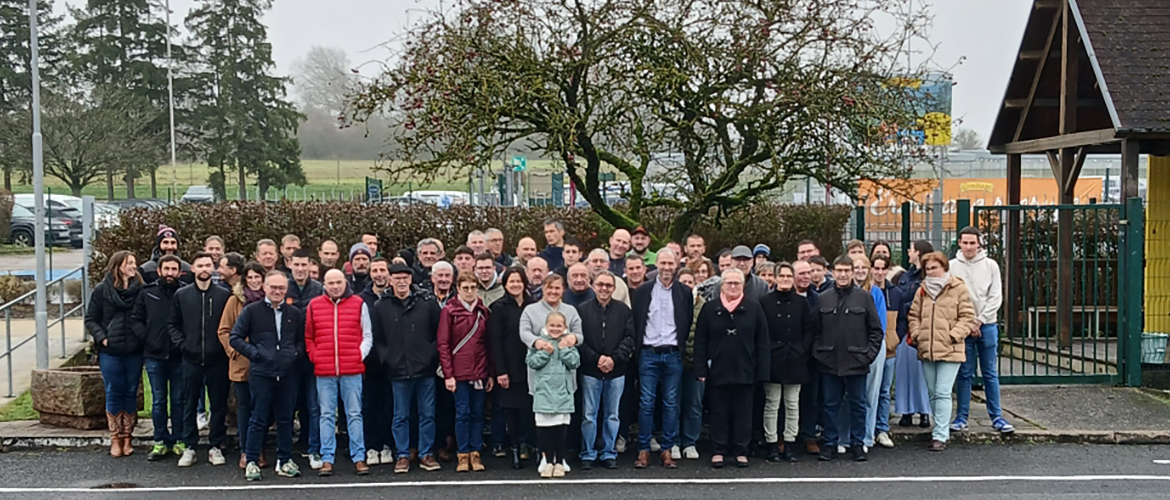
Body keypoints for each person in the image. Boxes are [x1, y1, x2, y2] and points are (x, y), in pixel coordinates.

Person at [231, 271, 306, 481]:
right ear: (264, 287)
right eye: (273, 287)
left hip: (288, 373)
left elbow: (300, 340)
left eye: (281, 288)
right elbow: (235, 338)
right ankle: (252, 460)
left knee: (285, 418)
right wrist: (256, 354)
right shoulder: (252, 311)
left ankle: (285, 459)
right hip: (261, 373)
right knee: (258, 418)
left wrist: (294, 354)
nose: (277, 291)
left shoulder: (294, 313)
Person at [694, 268, 770, 469]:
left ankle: (740, 450)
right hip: (717, 370)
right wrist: (700, 369)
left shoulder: (754, 308)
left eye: (737, 283)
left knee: (743, 412)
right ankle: (718, 450)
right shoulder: (710, 309)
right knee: (718, 412)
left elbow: (762, 342)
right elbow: (701, 341)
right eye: (729, 283)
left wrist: (762, 370)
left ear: (743, 285)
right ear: (722, 285)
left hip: (746, 370)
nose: (733, 286)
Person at [372, 263, 443, 474]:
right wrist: (388, 358)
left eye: (405, 277)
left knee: (427, 414)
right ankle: (402, 455)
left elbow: (438, 333)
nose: (401, 282)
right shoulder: (380, 306)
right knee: (400, 416)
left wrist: (431, 356)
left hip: (425, 369)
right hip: (397, 370)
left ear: (410, 280)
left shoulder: (426, 303)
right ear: (390, 280)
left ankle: (426, 454)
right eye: (397, 278)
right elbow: (378, 339)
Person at [814, 255, 883, 462]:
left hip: (856, 362)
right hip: (829, 362)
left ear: (853, 273)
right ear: (833, 272)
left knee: (858, 405)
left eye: (847, 271)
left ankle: (857, 444)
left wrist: (867, 356)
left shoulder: (864, 297)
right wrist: (820, 353)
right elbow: (814, 331)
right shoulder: (823, 298)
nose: (843, 275)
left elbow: (876, 331)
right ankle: (830, 443)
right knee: (830, 405)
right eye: (839, 271)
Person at [306, 269, 374, 476]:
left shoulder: (358, 304)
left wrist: (357, 356)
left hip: (352, 370)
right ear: (324, 284)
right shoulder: (314, 305)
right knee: (326, 415)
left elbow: (367, 335)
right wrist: (315, 357)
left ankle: (359, 457)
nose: (335, 286)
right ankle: (327, 458)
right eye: (330, 283)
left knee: (354, 414)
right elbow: (309, 337)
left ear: (344, 283)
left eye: (338, 282)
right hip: (324, 371)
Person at [630, 249, 692, 469]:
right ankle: (644, 450)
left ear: (676, 265)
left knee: (671, 404)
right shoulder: (643, 291)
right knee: (646, 403)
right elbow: (637, 321)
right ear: (655, 264)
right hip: (649, 353)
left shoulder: (684, 292)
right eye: (663, 263)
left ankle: (667, 449)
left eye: (670, 263)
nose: (666, 267)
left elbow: (686, 320)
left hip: (673, 354)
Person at [169, 252, 232, 467]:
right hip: (191, 359)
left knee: (218, 405)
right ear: (193, 269)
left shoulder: (224, 295)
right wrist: (183, 345)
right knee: (189, 404)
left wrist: (222, 348)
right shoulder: (182, 295)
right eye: (200, 265)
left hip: (217, 359)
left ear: (213, 268)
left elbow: (230, 326)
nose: (204, 269)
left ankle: (215, 446)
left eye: (208, 265)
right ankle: (190, 447)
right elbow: (173, 324)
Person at [949, 227, 1015, 435]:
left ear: (979, 244)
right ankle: (961, 417)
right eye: (965, 242)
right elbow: (951, 298)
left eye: (972, 243)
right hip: (963, 327)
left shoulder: (990, 266)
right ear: (959, 243)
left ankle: (997, 416)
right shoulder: (951, 267)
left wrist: (979, 320)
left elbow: (995, 297)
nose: (969, 247)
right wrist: (967, 323)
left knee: (990, 373)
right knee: (964, 373)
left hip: (987, 325)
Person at [907, 252, 975, 451]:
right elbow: (913, 315)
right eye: (928, 269)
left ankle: (940, 435)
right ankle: (940, 426)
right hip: (927, 348)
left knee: (943, 391)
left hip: (950, 348)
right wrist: (917, 334)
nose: (931, 272)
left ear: (944, 268)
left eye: (935, 268)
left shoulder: (958, 288)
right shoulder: (922, 290)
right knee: (932, 392)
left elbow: (967, 317)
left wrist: (954, 335)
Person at [87, 250, 144, 458]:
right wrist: (102, 337)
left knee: (130, 391)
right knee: (113, 391)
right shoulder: (102, 291)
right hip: (110, 350)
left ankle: (128, 437)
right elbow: (91, 319)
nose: (134, 266)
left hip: (134, 350)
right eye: (130, 263)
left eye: (134, 263)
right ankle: (115, 438)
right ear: (119, 265)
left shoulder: (140, 290)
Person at [758, 262, 817, 463]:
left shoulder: (801, 303)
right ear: (774, 278)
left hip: (795, 358)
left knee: (792, 403)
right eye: (781, 276)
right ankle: (772, 443)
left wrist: (802, 350)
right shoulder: (764, 301)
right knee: (772, 403)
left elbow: (809, 329)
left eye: (788, 277)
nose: (785, 280)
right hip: (773, 358)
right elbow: (761, 331)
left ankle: (790, 442)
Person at [576, 271, 635, 470]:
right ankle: (588, 453)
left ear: (614, 288)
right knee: (589, 415)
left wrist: (613, 359)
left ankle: (609, 452)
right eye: (600, 284)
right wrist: (597, 359)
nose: (604, 289)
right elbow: (579, 340)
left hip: (616, 371)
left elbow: (630, 338)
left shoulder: (624, 310)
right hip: (591, 370)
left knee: (612, 415)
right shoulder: (582, 310)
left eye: (608, 285)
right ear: (593, 286)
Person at [438, 272, 494, 473]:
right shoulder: (449, 311)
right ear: (458, 289)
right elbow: (443, 344)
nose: (469, 292)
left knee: (478, 414)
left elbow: (487, 344)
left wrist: (489, 373)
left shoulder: (483, 311)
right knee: (462, 413)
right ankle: (463, 454)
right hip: (459, 372)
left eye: (473, 287)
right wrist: (448, 374)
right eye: (465, 288)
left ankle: (475, 452)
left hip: (479, 370)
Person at [132, 255, 186, 461]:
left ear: (179, 272)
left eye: (174, 269)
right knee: (159, 401)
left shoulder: (184, 292)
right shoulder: (147, 293)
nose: (170, 273)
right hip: (154, 356)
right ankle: (160, 441)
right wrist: (146, 338)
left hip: (179, 356)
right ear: (160, 271)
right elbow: (136, 319)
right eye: (167, 269)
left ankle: (179, 440)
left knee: (179, 401)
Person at [217, 262, 268, 469]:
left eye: (258, 277)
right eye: (251, 278)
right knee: (245, 408)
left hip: (264, 363)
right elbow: (224, 330)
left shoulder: (270, 299)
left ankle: (261, 448)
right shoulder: (234, 301)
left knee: (262, 408)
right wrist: (233, 351)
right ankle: (246, 450)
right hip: (241, 364)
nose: (255, 281)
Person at [488, 267, 537, 469]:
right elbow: (495, 342)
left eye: (519, 281)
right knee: (511, 412)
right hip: (509, 367)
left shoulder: (533, 306)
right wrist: (500, 371)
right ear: (505, 284)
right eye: (511, 282)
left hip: (531, 367)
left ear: (524, 283)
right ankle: (515, 448)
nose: (515, 285)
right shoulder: (498, 307)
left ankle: (528, 445)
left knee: (529, 410)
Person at [526, 312, 581, 478]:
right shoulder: (539, 343)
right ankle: (548, 461)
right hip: (543, 393)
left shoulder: (568, 343)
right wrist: (545, 352)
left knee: (560, 431)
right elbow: (532, 362)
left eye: (559, 326)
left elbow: (575, 363)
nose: (555, 329)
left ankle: (560, 461)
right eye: (552, 326)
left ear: (565, 328)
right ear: (546, 326)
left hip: (563, 393)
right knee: (545, 431)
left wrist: (564, 350)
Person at [358, 257, 394, 465]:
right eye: (375, 270)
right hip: (369, 362)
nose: (379, 274)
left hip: (392, 361)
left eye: (383, 270)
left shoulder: (394, 297)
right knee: (369, 405)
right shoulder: (361, 299)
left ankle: (387, 445)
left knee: (390, 405)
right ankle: (371, 446)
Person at [895, 240, 934, 428]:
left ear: (918, 252)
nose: (908, 252)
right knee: (904, 373)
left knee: (921, 374)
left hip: (921, 329)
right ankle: (906, 411)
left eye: (911, 249)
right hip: (904, 329)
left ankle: (924, 411)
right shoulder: (904, 276)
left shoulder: (927, 277)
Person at [852, 255, 888, 452]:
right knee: (850, 395)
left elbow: (880, 325)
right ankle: (849, 436)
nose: (859, 271)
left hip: (873, 347)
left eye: (863, 267)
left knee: (870, 394)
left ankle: (866, 437)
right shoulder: (844, 292)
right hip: (850, 348)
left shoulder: (876, 293)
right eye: (855, 267)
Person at [870, 255, 899, 449]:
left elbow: (903, 318)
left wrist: (895, 338)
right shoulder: (866, 291)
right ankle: (867, 429)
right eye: (876, 268)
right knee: (867, 393)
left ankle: (882, 429)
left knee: (884, 392)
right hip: (870, 350)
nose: (880, 272)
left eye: (883, 269)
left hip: (889, 349)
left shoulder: (895, 293)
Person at [677, 267, 705, 460]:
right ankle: (673, 442)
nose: (687, 285)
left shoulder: (704, 306)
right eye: (683, 282)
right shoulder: (672, 303)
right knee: (673, 404)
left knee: (694, 404)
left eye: (690, 281)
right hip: (675, 362)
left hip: (696, 362)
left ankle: (690, 442)